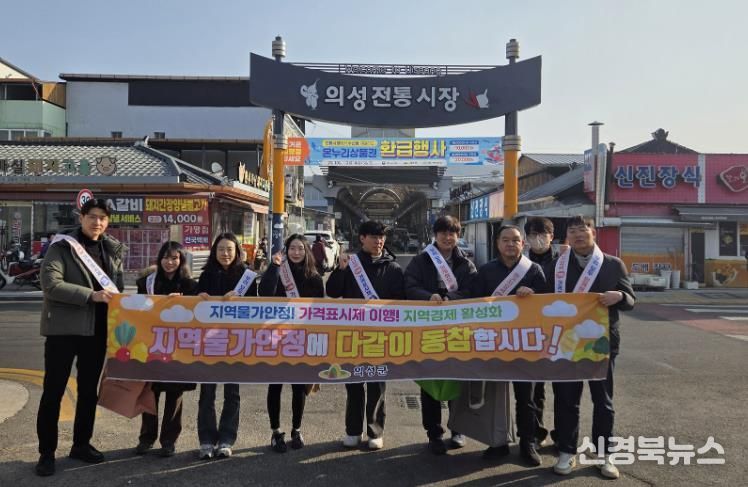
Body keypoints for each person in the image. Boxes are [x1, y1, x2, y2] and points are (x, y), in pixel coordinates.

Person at [35, 198, 125, 477]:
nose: (97, 222)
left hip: (96, 332)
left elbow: (118, 291)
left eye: (102, 218)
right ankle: (46, 453)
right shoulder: (62, 247)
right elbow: (50, 285)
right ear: (81, 217)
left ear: (107, 222)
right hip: (63, 331)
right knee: (53, 392)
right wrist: (91, 295)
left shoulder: (111, 249)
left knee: (88, 392)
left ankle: (81, 445)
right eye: (92, 216)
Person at [545, 216, 635, 479]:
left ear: (593, 232)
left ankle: (605, 455)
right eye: (572, 231)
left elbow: (631, 300)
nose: (578, 234)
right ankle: (566, 451)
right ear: (568, 237)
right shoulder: (557, 266)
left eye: (582, 229)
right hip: (566, 343)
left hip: (601, 343)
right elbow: (542, 299)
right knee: (566, 399)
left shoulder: (612, 264)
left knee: (603, 401)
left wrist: (620, 296)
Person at [471, 225, 546, 465]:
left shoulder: (534, 270)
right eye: (506, 240)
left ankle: (528, 443)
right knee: (495, 397)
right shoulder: (485, 271)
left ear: (523, 243)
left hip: (525, 343)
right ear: (497, 244)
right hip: (494, 342)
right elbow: (474, 303)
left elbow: (548, 301)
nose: (511, 244)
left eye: (515, 240)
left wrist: (533, 293)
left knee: (527, 397)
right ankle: (498, 442)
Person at [326, 220, 405, 450]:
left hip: (380, 337)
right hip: (352, 335)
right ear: (362, 238)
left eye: (381, 237)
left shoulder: (393, 268)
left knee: (377, 385)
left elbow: (401, 301)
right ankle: (352, 431)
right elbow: (332, 291)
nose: (379, 241)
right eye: (373, 237)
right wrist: (340, 270)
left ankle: (375, 431)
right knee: (353, 383)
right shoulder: (351, 264)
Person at [404, 216, 477, 455]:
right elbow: (409, 285)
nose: (447, 237)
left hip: (458, 330)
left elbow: (473, 290)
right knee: (430, 381)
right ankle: (434, 433)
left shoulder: (465, 264)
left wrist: (450, 298)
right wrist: (428, 296)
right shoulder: (421, 260)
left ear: (458, 235)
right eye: (443, 233)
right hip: (428, 330)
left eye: (452, 233)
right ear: (435, 235)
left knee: (457, 379)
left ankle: (458, 428)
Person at [258, 234, 324, 453]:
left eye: (300, 249)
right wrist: (274, 267)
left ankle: (296, 429)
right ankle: (276, 432)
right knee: (275, 386)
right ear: (286, 251)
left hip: (301, 339)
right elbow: (264, 293)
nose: (296, 252)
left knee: (299, 387)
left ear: (306, 251)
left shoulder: (314, 277)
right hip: (276, 338)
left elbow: (320, 310)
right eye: (292, 248)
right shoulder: (278, 271)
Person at [196, 232, 258, 460]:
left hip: (235, 342)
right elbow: (194, 303)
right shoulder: (206, 275)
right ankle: (206, 440)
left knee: (232, 393)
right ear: (214, 252)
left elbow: (256, 307)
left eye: (230, 249)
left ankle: (226, 439)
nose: (225, 253)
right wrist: (198, 296)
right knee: (207, 393)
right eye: (221, 249)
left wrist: (242, 300)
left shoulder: (246, 277)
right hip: (209, 342)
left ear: (237, 251)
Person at [134, 241, 198, 457]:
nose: (170, 262)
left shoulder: (190, 286)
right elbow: (136, 311)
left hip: (179, 349)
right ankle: (146, 437)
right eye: (166, 258)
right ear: (159, 259)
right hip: (151, 345)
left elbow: (197, 314)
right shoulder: (146, 283)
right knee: (149, 393)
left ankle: (169, 440)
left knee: (174, 395)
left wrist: (183, 302)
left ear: (181, 260)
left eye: (174, 258)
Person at [523, 217, 558, 448]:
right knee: (534, 388)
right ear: (526, 238)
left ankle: (563, 434)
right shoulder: (520, 262)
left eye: (542, 234)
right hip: (530, 332)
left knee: (564, 387)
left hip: (559, 331)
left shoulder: (564, 261)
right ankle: (536, 432)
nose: (538, 239)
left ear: (551, 237)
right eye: (533, 235)